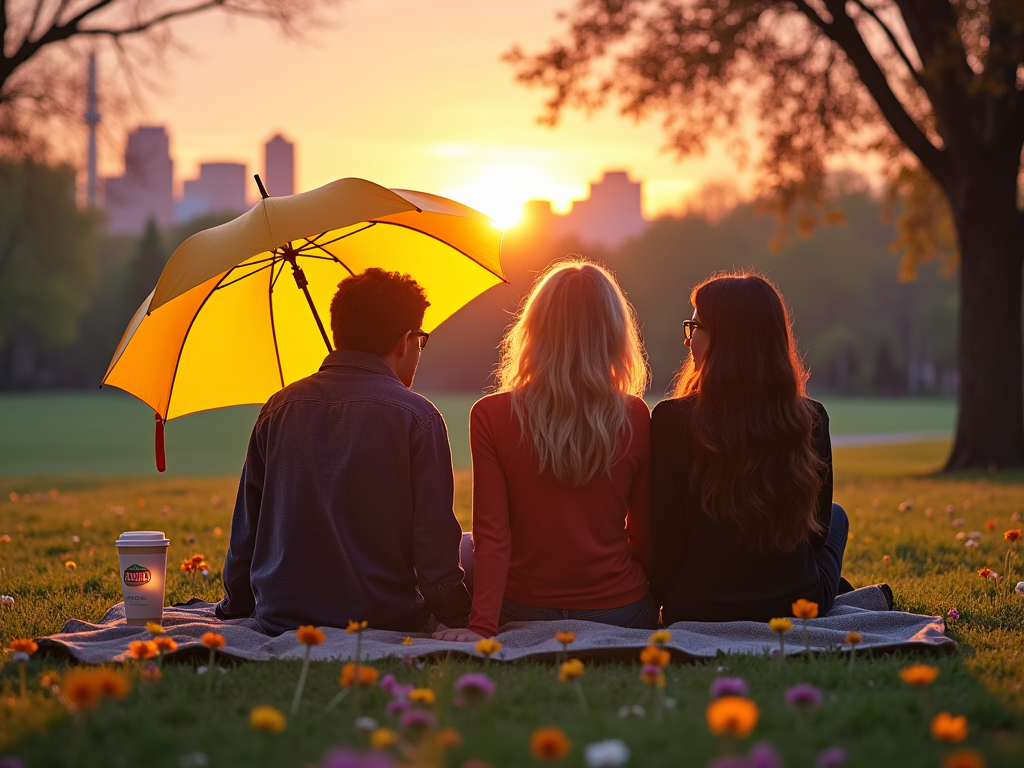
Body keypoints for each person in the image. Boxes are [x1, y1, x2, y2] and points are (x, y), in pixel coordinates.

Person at [216, 268, 471, 635]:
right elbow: (434, 550)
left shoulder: (277, 409)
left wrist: (235, 607)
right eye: (420, 339)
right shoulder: (419, 418)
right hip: (386, 619)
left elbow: (246, 533)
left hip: (280, 618)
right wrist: (459, 617)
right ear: (405, 341)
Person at [434, 259, 655, 643]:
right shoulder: (635, 415)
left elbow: (494, 535)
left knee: (467, 544)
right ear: (615, 333)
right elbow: (645, 533)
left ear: (534, 329)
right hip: (622, 613)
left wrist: (482, 628)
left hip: (520, 608)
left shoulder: (490, 415)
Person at [650, 272, 849, 624]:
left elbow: (667, 542)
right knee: (836, 515)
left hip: (698, 608)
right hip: (798, 606)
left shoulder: (670, 421)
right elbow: (816, 534)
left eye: (695, 328)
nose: (688, 341)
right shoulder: (810, 418)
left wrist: (660, 602)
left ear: (724, 339)